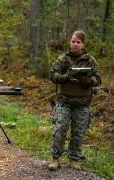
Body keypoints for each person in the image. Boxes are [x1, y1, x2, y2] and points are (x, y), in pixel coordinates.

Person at [48, 30, 102, 171]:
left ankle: (73, 159)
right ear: (70, 42)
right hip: (64, 101)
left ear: (83, 44)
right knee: (60, 129)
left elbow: (98, 79)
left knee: (78, 131)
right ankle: (55, 159)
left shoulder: (90, 60)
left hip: (82, 103)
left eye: (78, 42)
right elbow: (53, 76)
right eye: (73, 41)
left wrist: (86, 80)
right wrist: (66, 76)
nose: (75, 44)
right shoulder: (63, 59)